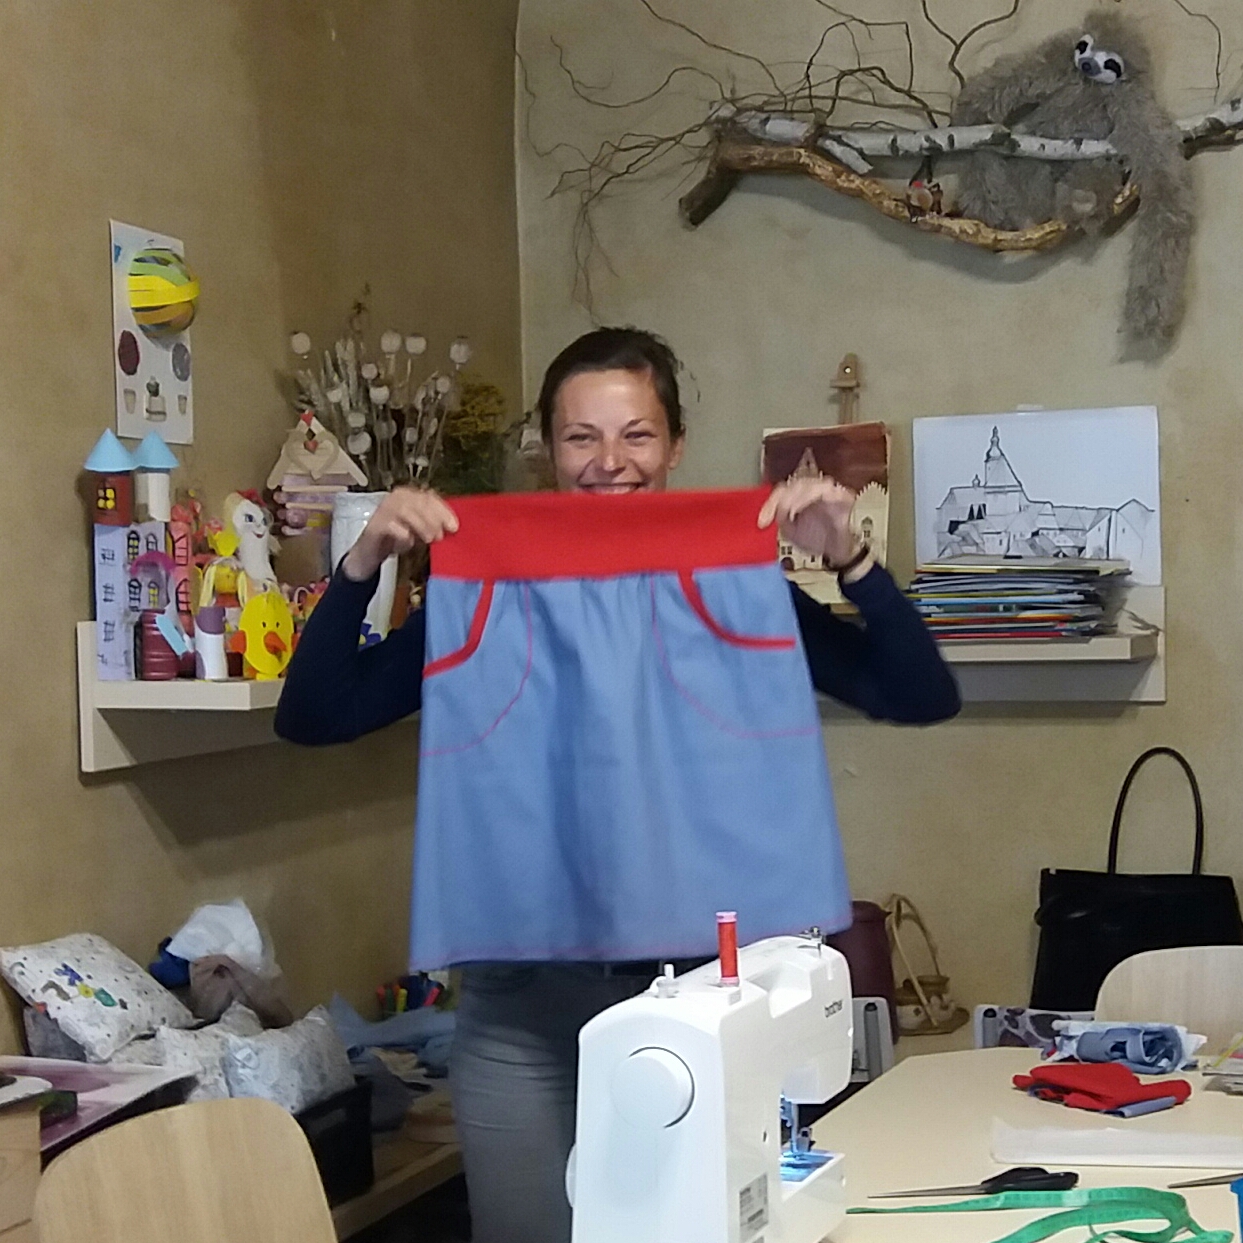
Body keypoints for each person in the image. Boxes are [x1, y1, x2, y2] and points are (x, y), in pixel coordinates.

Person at [276, 327, 959, 1243]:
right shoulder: (489, 589)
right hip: (522, 1014)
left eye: (636, 434)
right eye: (581, 437)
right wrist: (363, 563)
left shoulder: (733, 584)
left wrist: (853, 560)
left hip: (702, 1006)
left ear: (674, 445)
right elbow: (316, 714)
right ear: (547, 450)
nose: (610, 461)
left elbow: (919, 692)